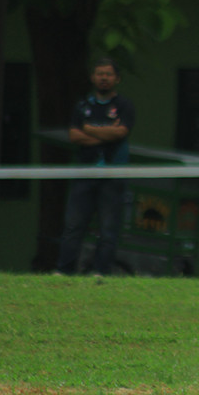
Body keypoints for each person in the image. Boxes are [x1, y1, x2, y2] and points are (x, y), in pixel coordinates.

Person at [55, 58, 134, 276]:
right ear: (93, 77)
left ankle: (100, 272)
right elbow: (73, 135)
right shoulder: (83, 105)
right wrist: (106, 135)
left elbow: (121, 133)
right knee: (73, 226)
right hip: (84, 173)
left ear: (116, 78)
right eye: (100, 73)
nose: (104, 78)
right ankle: (64, 271)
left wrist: (89, 130)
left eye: (108, 74)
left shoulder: (124, 106)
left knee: (108, 229)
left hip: (112, 174)